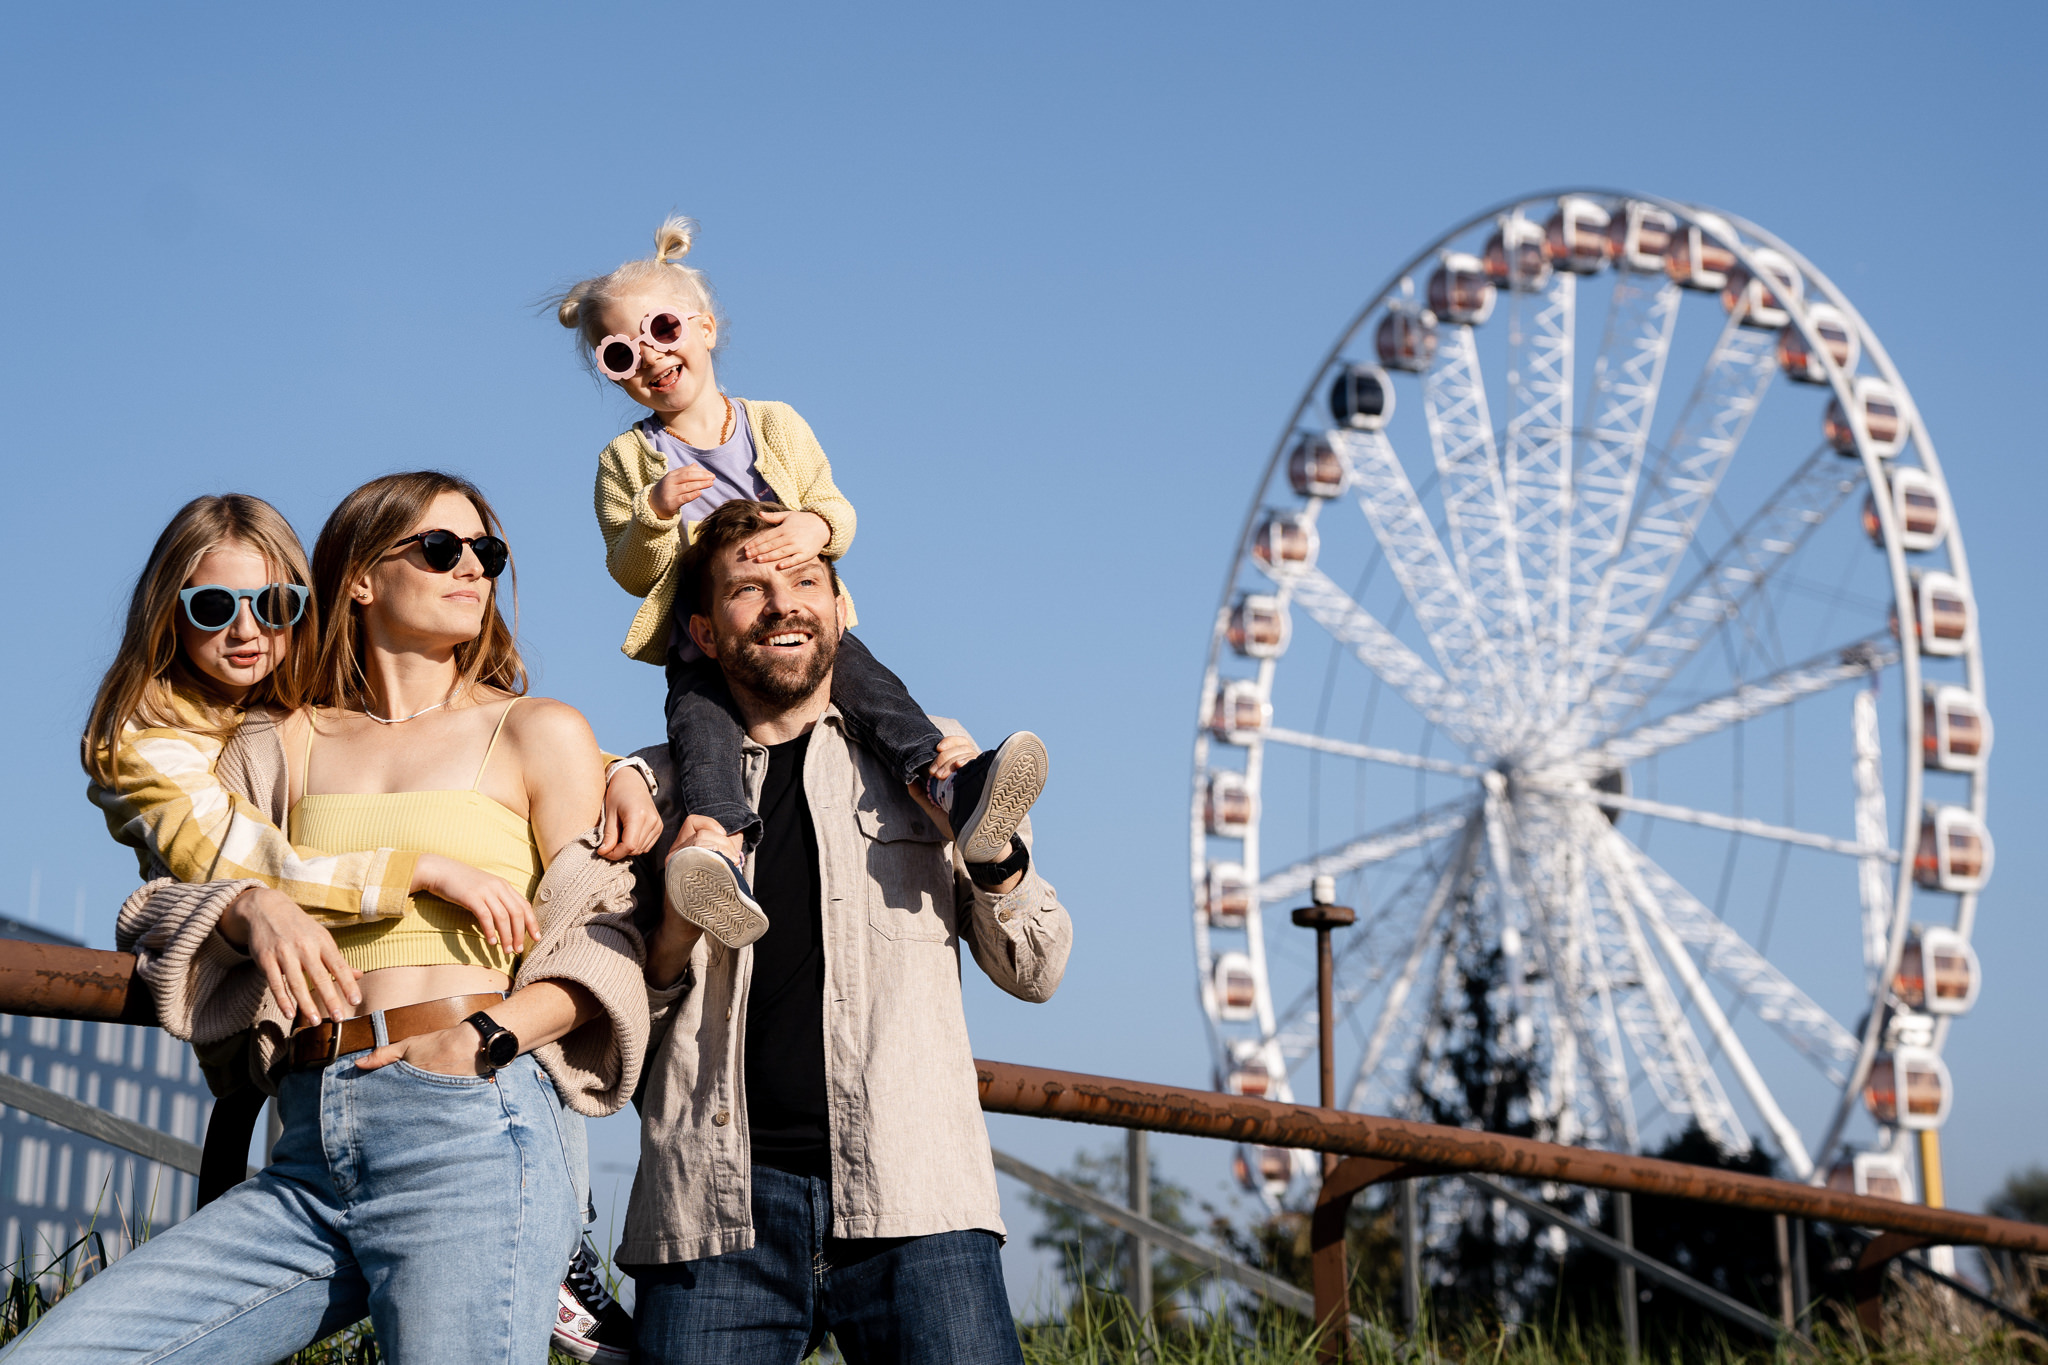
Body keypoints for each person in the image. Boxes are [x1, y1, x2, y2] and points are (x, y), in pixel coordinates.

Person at [7, 473, 652, 1364]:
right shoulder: (275, 740)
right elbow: (167, 900)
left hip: (468, 1121)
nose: (473, 568)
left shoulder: (538, 731)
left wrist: (484, 1041)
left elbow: (600, 939)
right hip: (311, 1131)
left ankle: (553, 1249)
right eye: (441, 549)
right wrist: (248, 906)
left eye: (488, 552)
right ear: (358, 578)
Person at [617, 499, 1072, 1364]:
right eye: (749, 588)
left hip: (917, 1195)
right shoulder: (661, 792)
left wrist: (996, 859)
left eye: (804, 580)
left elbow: (1037, 968)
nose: (784, 603)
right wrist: (670, 933)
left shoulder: (937, 763)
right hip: (714, 1211)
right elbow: (614, 1026)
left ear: (837, 606)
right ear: (704, 632)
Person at [556, 217, 1049, 950]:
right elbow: (630, 572)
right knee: (702, 737)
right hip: (704, 646)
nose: (651, 357)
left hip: (803, 629)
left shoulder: (774, 424)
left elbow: (834, 506)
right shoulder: (625, 461)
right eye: (622, 354)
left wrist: (815, 529)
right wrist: (653, 515)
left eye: (663, 328)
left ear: (705, 328)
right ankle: (718, 853)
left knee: (879, 698)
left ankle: (949, 786)